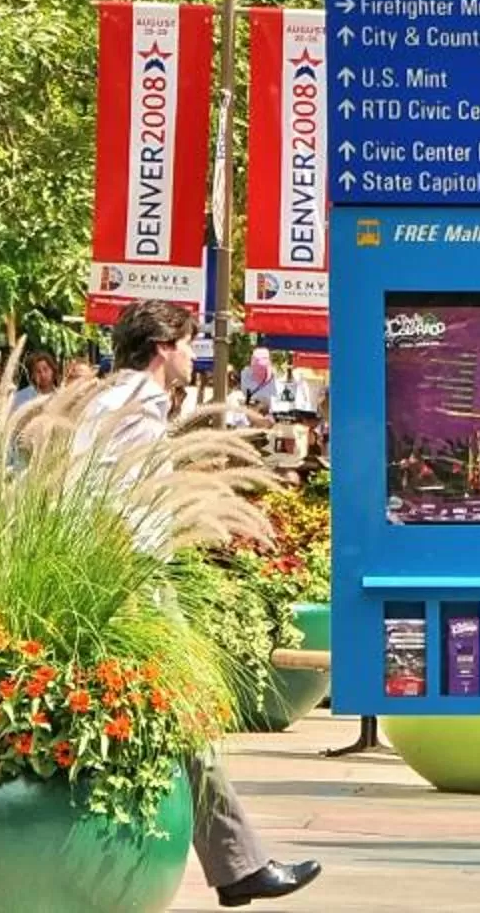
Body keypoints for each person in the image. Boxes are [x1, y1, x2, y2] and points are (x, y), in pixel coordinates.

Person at [84, 299, 321, 906]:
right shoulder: (136, 409)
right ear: (163, 346)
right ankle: (237, 866)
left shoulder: (109, 401)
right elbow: (117, 504)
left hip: (114, 578)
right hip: (135, 581)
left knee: (170, 722)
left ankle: (236, 864)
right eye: (189, 344)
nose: (195, 356)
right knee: (185, 716)